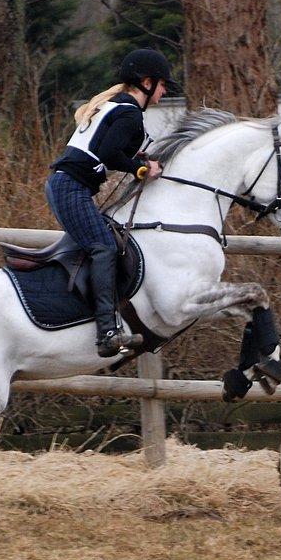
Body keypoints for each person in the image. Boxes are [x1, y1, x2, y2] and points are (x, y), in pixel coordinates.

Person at [46, 48, 176, 358]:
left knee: (107, 241)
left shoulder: (117, 105)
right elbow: (107, 153)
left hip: (67, 186)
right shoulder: (129, 111)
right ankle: (106, 332)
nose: (165, 90)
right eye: (162, 84)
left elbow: (109, 150)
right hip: (70, 187)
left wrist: (137, 160)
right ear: (146, 82)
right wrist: (142, 170)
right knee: (104, 246)